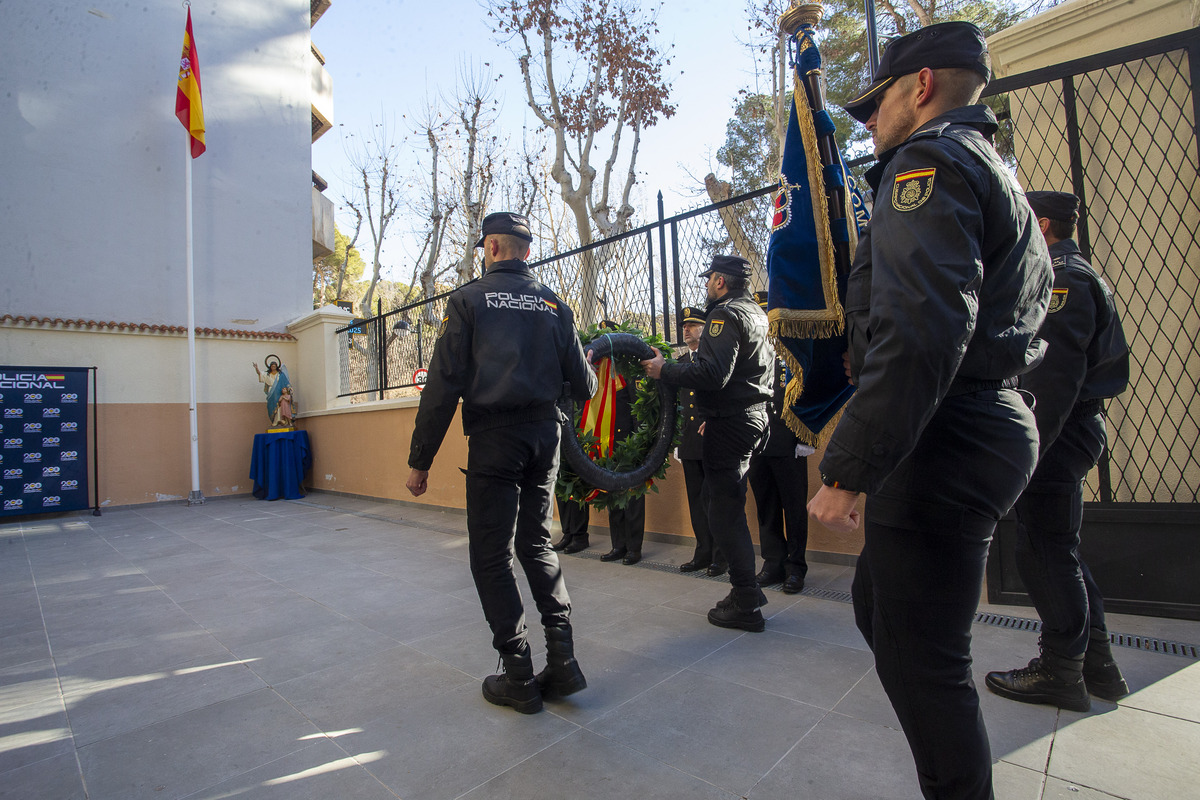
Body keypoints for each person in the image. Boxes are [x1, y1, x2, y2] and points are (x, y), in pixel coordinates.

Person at [806, 22, 1052, 800]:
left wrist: (848, 467)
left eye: (875, 104)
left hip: (948, 431)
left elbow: (921, 329)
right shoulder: (990, 166)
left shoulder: (929, 161)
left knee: (926, 663)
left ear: (918, 88)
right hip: (970, 422)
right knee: (881, 609)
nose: (869, 122)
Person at [406, 211, 598, 715]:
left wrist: (420, 460)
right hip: (545, 436)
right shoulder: (555, 303)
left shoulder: (468, 299)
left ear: (490, 249)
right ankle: (564, 662)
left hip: (495, 438)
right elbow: (584, 386)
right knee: (536, 541)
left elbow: (443, 383)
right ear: (525, 251)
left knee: (491, 553)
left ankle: (517, 674)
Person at [985, 190, 1131, 711]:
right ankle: (1098, 666)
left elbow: (1053, 381)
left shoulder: (1063, 280)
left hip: (1059, 432)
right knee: (1057, 551)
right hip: (1068, 430)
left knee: (1043, 552)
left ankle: (1061, 671)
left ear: (1042, 226)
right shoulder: (1073, 272)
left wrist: (1027, 452)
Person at [641, 254, 773, 631]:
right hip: (751, 417)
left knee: (724, 511)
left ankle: (746, 601)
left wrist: (664, 370)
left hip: (734, 422)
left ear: (719, 281)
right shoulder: (756, 313)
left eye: (708, 279)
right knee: (727, 505)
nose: (706, 285)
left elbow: (713, 373)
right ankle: (746, 592)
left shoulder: (725, 314)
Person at [748, 292, 810, 594]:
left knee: (794, 507)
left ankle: (796, 567)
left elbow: (809, 396)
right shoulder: (750, 355)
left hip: (789, 443)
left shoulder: (794, 352)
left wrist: (805, 438)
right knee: (766, 506)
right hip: (758, 443)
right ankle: (773, 562)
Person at [675, 306, 727, 577]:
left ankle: (721, 556)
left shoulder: (715, 358)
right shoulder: (681, 363)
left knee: (715, 499)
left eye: (692, 325)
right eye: (684, 326)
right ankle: (703, 551)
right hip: (688, 442)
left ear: (705, 329)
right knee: (696, 500)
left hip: (713, 439)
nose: (686, 329)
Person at [252, 358, 291, 428]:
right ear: (270, 367)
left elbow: (286, 382)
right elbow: (260, 374)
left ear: (277, 366)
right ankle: (274, 421)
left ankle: (281, 420)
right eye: (272, 366)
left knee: (280, 405)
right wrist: (256, 368)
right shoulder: (267, 374)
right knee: (271, 406)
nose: (273, 367)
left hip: (279, 392)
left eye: (275, 366)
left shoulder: (280, 374)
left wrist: (289, 388)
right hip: (271, 392)